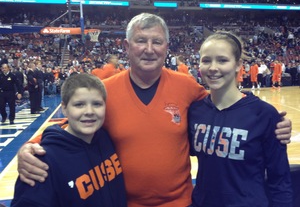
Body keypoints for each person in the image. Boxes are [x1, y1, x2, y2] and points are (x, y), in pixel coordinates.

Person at [17, 13, 292, 207]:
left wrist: (273, 123)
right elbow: (72, 125)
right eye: (141, 41)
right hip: (125, 203)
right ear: (126, 46)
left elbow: (224, 107)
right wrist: (30, 146)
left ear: (166, 47)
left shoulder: (187, 87)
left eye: (157, 42)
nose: (149, 49)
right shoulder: (105, 91)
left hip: (182, 203)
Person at [188, 31, 293, 207]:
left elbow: (280, 180)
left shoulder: (264, 114)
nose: (213, 67)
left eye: (222, 60)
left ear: (238, 65)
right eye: (206, 60)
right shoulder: (195, 112)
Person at [11, 73, 127, 207]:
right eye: (79, 104)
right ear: (64, 108)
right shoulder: (40, 164)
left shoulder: (106, 137)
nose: (89, 111)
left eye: (97, 104)